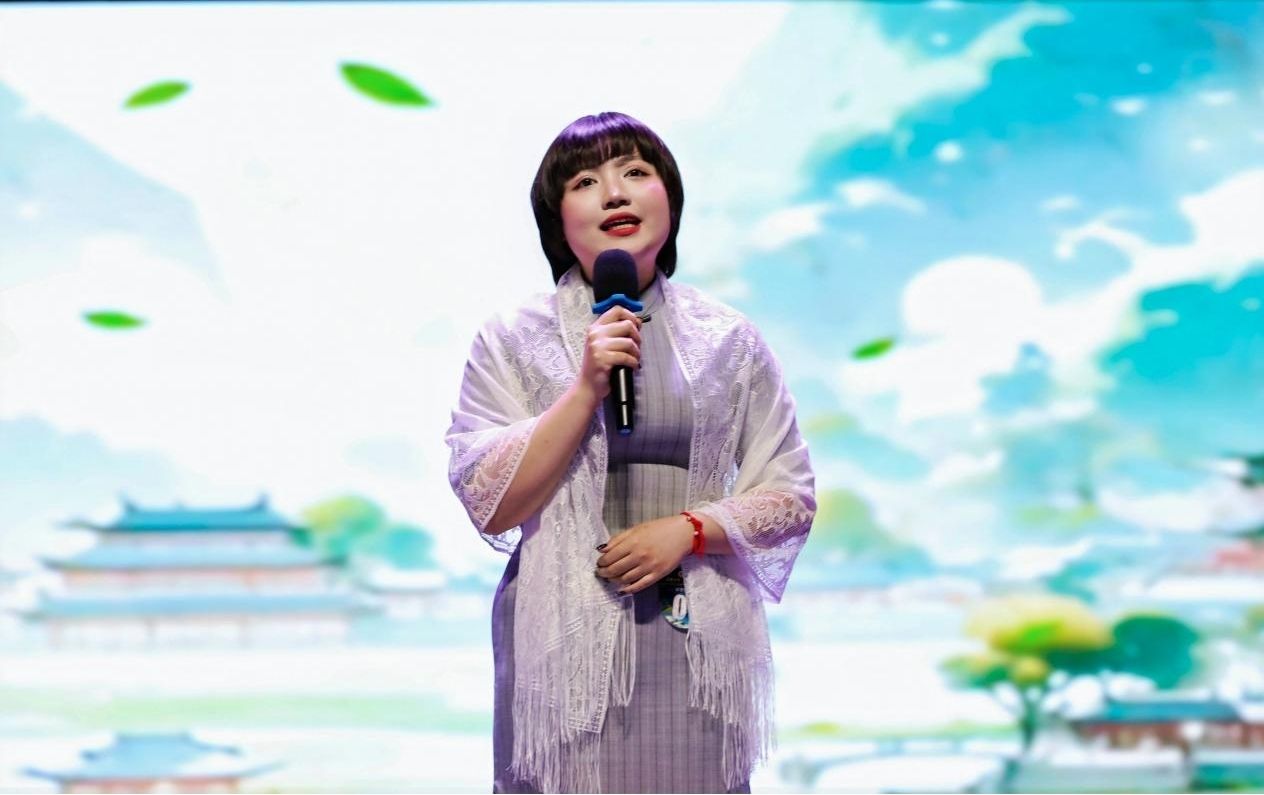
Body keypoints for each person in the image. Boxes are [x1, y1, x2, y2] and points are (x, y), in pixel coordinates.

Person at [446, 111, 815, 794]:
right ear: (557, 220)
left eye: (636, 172)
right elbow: (490, 501)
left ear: (669, 199)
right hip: (561, 638)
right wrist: (586, 386)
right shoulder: (510, 337)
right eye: (585, 182)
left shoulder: (730, 339)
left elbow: (790, 495)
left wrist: (690, 530)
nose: (614, 193)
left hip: (693, 634)